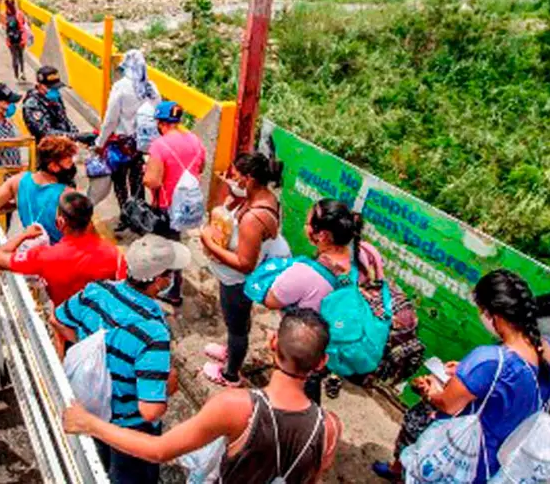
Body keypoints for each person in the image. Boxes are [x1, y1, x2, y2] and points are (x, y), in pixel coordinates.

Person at [64, 308, 343, 484]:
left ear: (273, 345)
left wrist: (89, 424)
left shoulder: (237, 406)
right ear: (322, 362)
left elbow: (160, 450)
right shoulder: (329, 427)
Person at [372, 269, 550, 483]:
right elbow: (515, 394)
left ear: (494, 315)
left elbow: (448, 404)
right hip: (509, 464)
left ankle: (398, 470)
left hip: (471, 460)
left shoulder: (490, 360)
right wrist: (469, 375)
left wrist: (430, 391)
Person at [52, 234, 190, 484]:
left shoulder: (96, 291)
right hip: (129, 426)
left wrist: (90, 348)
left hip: (93, 403)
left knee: (103, 459)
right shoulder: (153, 332)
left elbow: (58, 319)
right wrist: (168, 385)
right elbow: (150, 411)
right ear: (159, 281)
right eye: (169, 275)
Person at [262, 199, 422, 400]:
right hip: (360, 332)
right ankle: (335, 374)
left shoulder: (305, 273)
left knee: (307, 381)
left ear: (322, 235)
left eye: (308, 222)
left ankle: (308, 407)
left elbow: (270, 300)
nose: (305, 226)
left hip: (323, 343)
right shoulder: (366, 252)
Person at [200, 153, 284, 387]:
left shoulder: (253, 219)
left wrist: (209, 243)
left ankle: (231, 374)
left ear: (249, 179)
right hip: (232, 279)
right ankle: (231, 352)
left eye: (237, 177)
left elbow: (245, 264)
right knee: (235, 322)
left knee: (237, 327)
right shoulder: (265, 197)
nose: (233, 181)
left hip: (237, 282)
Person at [0, 192, 126, 307]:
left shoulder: (46, 256)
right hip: (101, 328)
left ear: (61, 222)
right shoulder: (114, 253)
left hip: (65, 326)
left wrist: (24, 235)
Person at [142, 100, 206, 304]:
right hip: (186, 205)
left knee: (166, 246)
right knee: (175, 241)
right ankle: (172, 283)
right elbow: (201, 167)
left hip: (167, 205)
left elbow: (152, 180)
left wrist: (146, 173)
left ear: (160, 123)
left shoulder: (159, 146)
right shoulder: (195, 141)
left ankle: (172, 288)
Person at [98, 50, 161, 232]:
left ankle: (125, 216)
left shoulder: (121, 87)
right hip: (141, 144)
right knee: (137, 180)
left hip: (121, 144)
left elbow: (111, 119)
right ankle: (140, 217)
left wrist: (100, 142)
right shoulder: (151, 87)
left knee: (119, 181)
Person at [0, 135, 77, 244]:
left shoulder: (18, 181)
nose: (72, 166)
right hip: (58, 254)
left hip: (31, 251)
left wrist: (18, 203)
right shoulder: (68, 194)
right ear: (53, 166)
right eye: (69, 162)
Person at [22, 65, 95, 145]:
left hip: (64, 146)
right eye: (50, 88)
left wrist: (79, 136)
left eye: (56, 88)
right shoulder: (32, 105)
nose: (55, 90)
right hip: (47, 150)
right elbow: (46, 133)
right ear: (40, 86)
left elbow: (64, 120)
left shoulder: (55, 98)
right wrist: (76, 136)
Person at [3, 0, 29, 81]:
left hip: (11, 40)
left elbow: (4, 27)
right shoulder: (20, 14)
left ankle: (16, 75)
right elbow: (24, 25)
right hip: (21, 38)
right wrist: (24, 38)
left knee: (14, 57)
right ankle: (22, 72)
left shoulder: (4, 15)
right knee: (21, 56)